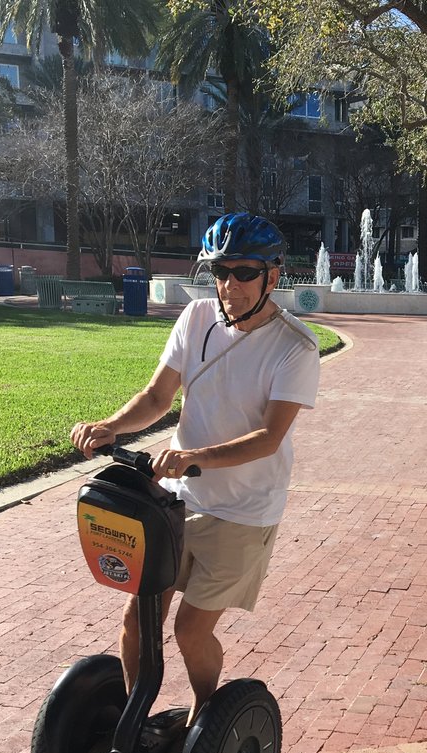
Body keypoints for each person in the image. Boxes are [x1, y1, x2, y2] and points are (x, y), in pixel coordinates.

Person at [70, 212, 320, 726]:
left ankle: (209, 723)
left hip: (244, 510)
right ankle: (130, 722)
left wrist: (193, 456)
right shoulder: (197, 318)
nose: (229, 285)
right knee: (138, 619)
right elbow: (159, 395)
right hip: (179, 502)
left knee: (189, 629)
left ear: (273, 275)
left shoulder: (295, 346)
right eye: (220, 272)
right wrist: (111, 427)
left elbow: (268, 438)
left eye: (244, 272)